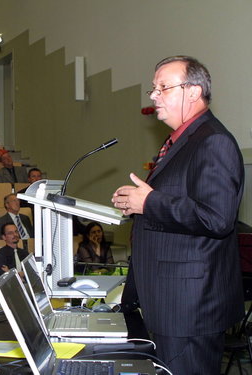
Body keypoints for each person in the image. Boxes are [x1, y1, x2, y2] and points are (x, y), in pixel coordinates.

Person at [111, 55, 244, 375]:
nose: (154, 94)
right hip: (168, 301)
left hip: (189, 307)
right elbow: (177, 207)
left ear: (194, 91)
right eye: (153, 88)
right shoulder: (181, 141)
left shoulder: (213, 142)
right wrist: (138, 204)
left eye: (163, 87)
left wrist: (151, 203)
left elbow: (217, 218)